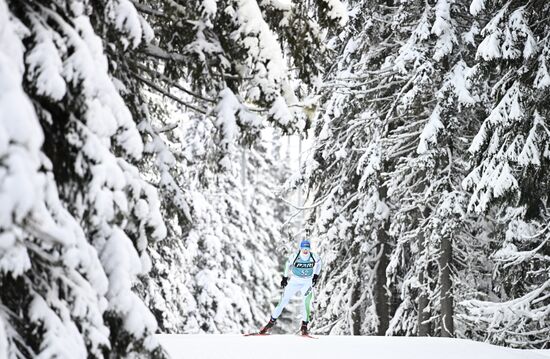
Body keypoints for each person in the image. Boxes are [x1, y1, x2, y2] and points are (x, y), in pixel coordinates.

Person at [259, 239, 322, 335]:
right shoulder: (295, 256)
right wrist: (284, 278)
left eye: (307, 249)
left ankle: (304, 326)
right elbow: (287, 265)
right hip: (294, 282)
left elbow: (319, 264)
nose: (305, 251)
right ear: (300, 248)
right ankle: (270, 323)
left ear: (309, 249)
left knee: (306, 303)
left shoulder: (314, 256)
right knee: (283, 301)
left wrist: (315, 276)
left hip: (307, 282)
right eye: (303, 249)